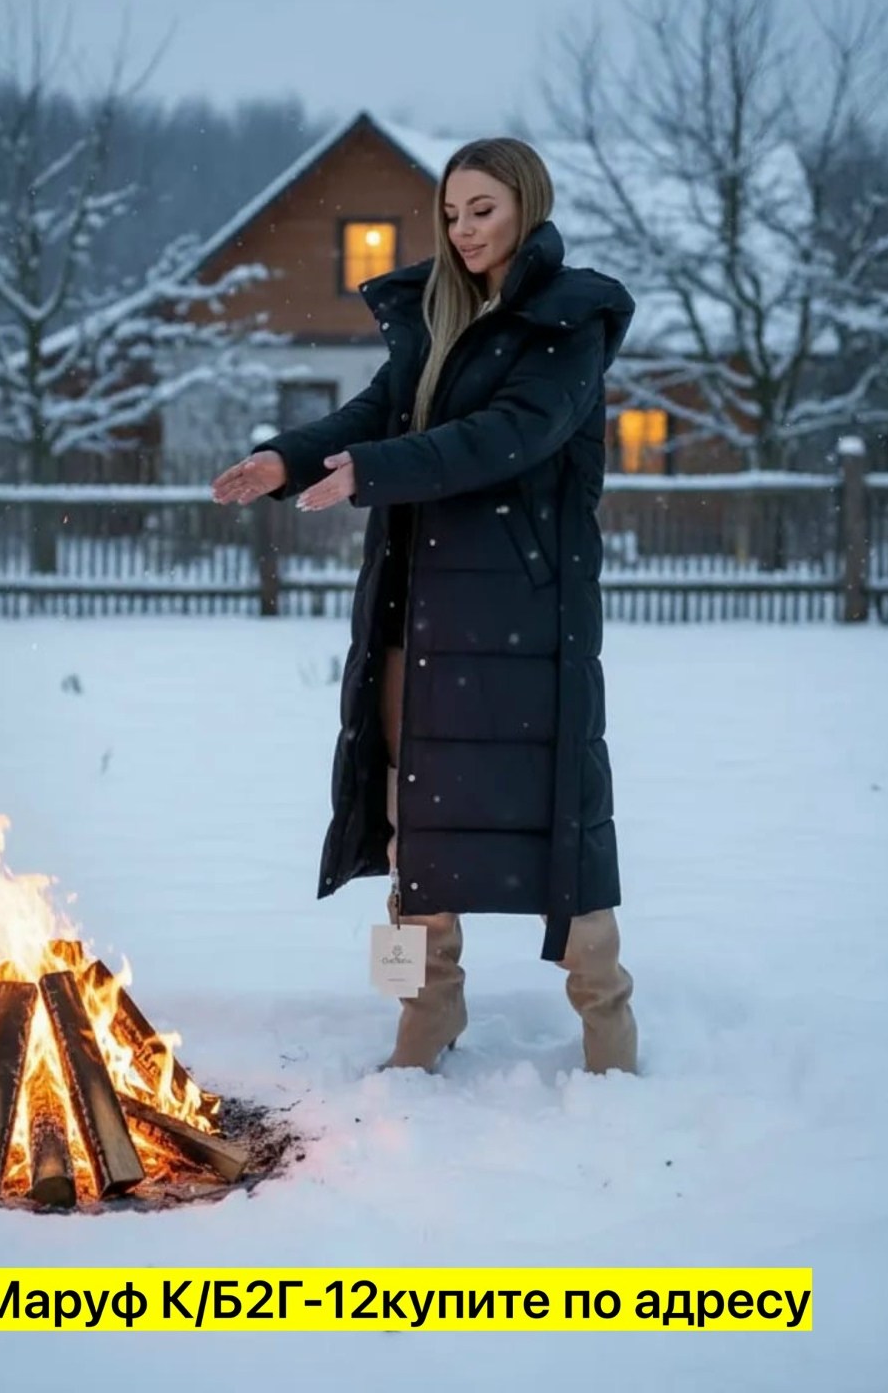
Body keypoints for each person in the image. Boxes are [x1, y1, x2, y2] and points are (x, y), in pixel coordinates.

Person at [212, 137, 638, 1076]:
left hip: (527, 625)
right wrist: (289, 458)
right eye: (451, 213)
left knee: (559, 819)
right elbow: (375, 416)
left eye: (482, 209)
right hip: (420, 616)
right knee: (415, 817)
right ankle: (427, 1012)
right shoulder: (436, 314)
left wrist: (375, 472)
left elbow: (503, 438)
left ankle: (607, 1024)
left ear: (527, 204)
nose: (464, 229)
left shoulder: (571, 323)